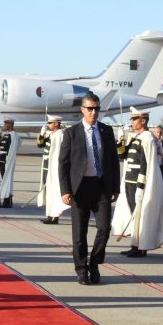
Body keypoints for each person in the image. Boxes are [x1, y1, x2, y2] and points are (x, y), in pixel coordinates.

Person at [59, 93, 120, 285]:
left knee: (104, 228)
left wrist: (115, 187)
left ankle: (94, 263)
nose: (93, 112)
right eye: (90, 108)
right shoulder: (71, 133)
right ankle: (81, 269)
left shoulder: (106, 131)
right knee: (79, 233)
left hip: (101, 186)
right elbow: (63, 164)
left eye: (96, 109)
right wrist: (65, 190)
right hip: (80, 188)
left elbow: (113, 160)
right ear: (82, 110)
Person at [112, 108, 163, 257]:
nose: (132, 122)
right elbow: (122, 155)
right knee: (133, 214)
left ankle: (141, 247)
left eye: (135, 119)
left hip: (138, 183)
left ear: (143, 121)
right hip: (129, 181)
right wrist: (120, 141)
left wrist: (141, 185)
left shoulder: (147, 138)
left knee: (139, 215)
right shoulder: (135, 137)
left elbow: (146, 164)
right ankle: (135, 245)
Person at [37, 115, 70, 224]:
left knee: (54, 191)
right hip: (47, 165)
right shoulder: (51, 134)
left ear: (56, 123)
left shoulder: (59, 135)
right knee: (48, 190)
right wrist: (42, 134)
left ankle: (54, 216)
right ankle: (50, 215)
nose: (48, 125)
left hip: (54, 166)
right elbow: (40, 145)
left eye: (50, 123)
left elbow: (59, 153)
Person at [0, 117, 22, 208]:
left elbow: (14, 148)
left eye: (5, 124)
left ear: (10, 124)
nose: (4, 125)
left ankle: (7, 201)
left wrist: (9, 159)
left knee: (7, 180)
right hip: (2, 160)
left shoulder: (14, 135)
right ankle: (7, 201)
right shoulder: (7, 134)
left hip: (7, 161)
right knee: (5, 180)